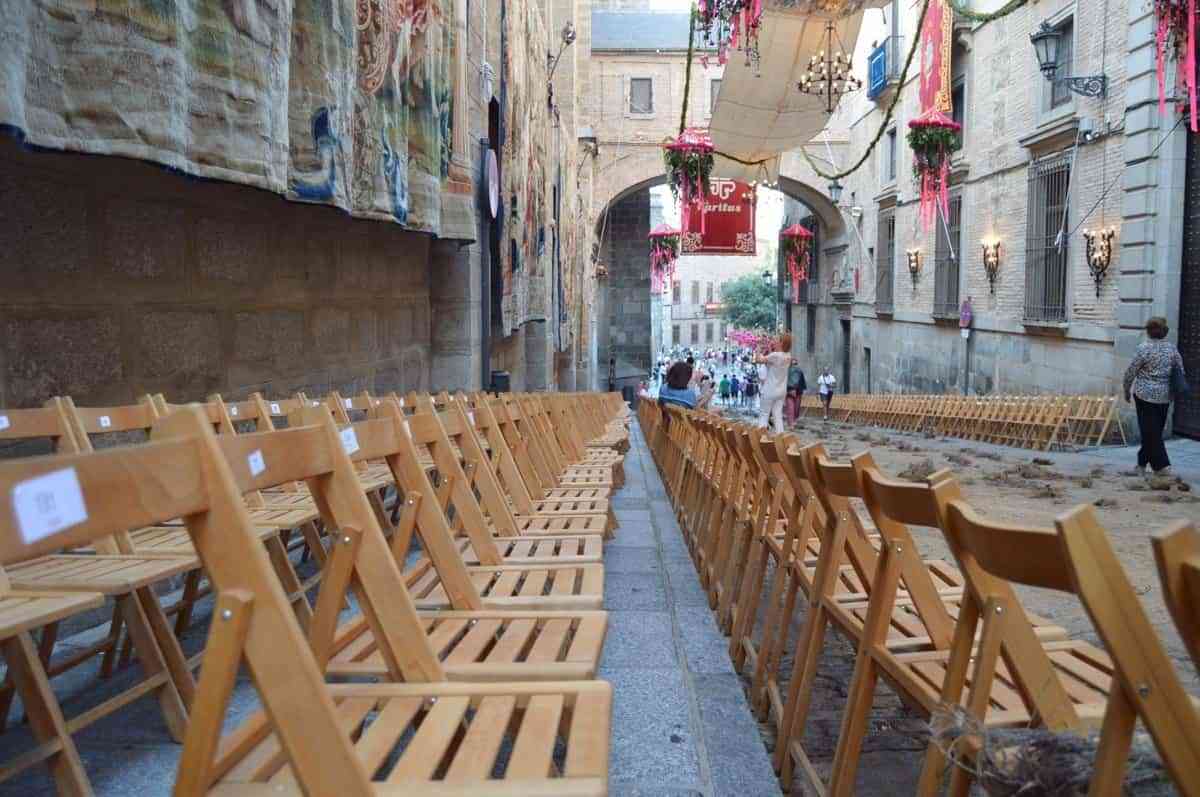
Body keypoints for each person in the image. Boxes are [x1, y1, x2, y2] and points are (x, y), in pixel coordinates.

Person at [1124, 316, 1187, 475]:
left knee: (1150, 432)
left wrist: (1126, 390)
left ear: (1148, 332)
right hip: (1164, 396)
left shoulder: (1143, 348)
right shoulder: (1172, 349)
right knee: (1153, 431)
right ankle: (1141, 465)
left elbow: (1131, 372)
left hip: (1144, 395)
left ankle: (1162, 466)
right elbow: (1180, 371)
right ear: (1165, 332)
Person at [755, 333, 794, 434]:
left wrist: (758, 346)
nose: (774, 342)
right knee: (778, 416)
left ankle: (761, 438)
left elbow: (758, 360)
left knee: (764, 414)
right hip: (781, 391)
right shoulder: (788, 356)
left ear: (781, 343)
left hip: (769, 389)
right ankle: (780, 439)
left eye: (776, 340)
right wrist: (769, 347)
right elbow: (772, 359)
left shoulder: (775, 355)